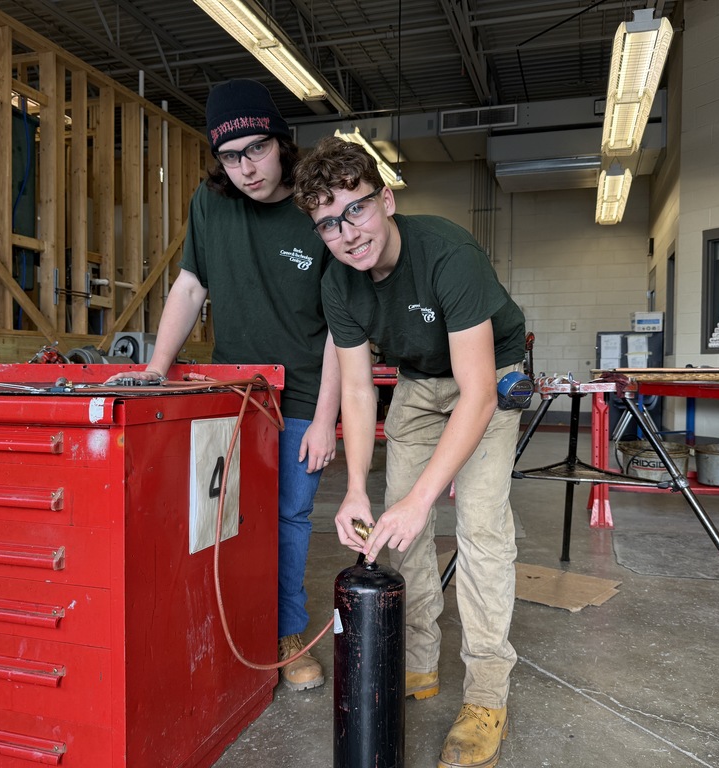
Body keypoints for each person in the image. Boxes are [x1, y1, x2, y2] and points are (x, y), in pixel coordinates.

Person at [293, 136, 527, 768]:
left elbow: (477, 396)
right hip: (420, 382)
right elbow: (360, 388)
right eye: (326, 223)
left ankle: (485, 695)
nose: (346, 233)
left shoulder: (448, 252)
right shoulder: (338, 282)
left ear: (386, 199)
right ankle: (418, 662)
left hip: (488, 374)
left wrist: (425, 499)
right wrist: (359, 490)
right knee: (396, 532)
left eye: (356, 210)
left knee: (480, 529)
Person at [111, 80, 339, 692]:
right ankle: (230, 623)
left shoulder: (317, 208)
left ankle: (287, 632)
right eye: (231, 156)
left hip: (299, 395)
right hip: (231, 393)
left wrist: (325, 418)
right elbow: (190, 285)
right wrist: (159, 365)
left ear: (281, 141)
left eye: (257, 150)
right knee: (223, 520)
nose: (245, 168)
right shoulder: (210, 203)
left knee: (289, 517)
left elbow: (340, 330)